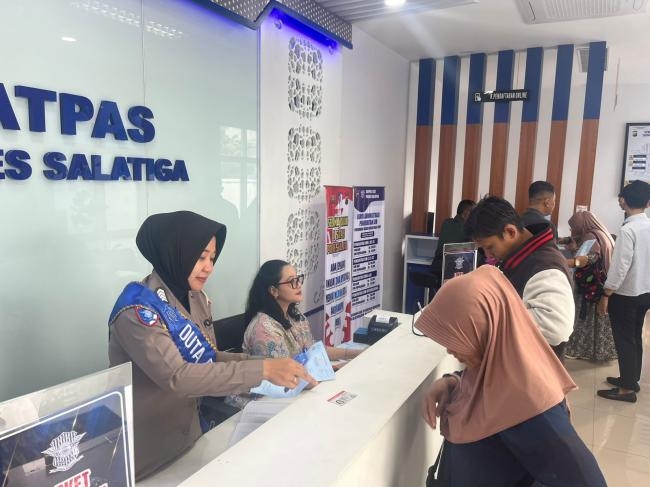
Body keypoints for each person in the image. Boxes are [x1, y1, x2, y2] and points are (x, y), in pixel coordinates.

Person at [108, 212, 315, 480]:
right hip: (150, 454)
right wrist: (263, 370)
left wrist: (270, 366)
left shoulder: (195, 298)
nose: (209, 268)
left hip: (191, 439)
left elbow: (209, 358)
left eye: (212, 258)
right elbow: (178, 377)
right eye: (201, 257)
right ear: (175, 253)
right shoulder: (137, 311)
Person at [417, 266, 606, 486]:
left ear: (486, 328)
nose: (449, 350)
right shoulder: (495, 367)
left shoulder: (528, 405)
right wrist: (452, 381)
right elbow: (485, 390)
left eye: (457, 337)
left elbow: (587, 481)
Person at [464, 196, 574, 363]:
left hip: (533, 370)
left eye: (490, 247)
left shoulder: (544, 266)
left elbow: (555, 328)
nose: (488, 255)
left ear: (510, 232)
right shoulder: (523, 258)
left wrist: (486, 319)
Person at [242, 259, 362, 362]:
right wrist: (337, 368)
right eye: (292, 281)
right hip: (284, 380)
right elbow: (283, 371)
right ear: (274, 291)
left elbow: (313, 351)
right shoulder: (264, 330)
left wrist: (355, 354)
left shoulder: (294, 316)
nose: (299, 285)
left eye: (298, 279)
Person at [597, 180, 650, 403]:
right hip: (645, 292)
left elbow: (620, 267)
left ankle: (627, 390)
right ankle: (631, 379)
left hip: (626, 294)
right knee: (635, 336)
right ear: (648, 203)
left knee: (624, 339)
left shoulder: (628, 230)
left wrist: (606, 294)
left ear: (623, 201)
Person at [564, 211, 617, 361]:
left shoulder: (590, 236)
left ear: (581, 225)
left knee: (585, 317)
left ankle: (581, 350)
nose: (572, 230)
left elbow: (589, 258)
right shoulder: (601, 233)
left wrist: (566, 262)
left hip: (590, 285)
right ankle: (599, 352)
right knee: (596, 319)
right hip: (600, 283)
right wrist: (574, 249)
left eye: (573, 226)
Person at [429, 199, 476, 285]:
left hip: (436, 268)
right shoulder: (468, 230)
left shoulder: (446, 223)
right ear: (466, 213)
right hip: (452, 273)